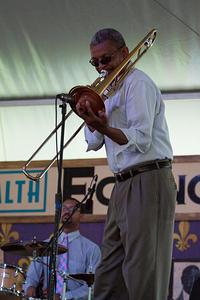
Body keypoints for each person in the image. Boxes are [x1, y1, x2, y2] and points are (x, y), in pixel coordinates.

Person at [76, 28, 177, 300]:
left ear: (124, 53)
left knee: (144, 273)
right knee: (108, 272)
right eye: (94, 62)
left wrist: (104, 127)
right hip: (121, 185)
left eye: (105, 59)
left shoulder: (138, 83)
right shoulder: (107, 90)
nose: (100, 67)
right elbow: (93, 141)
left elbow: (141, 140)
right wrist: (91, 118)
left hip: (148, 179)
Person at [23, 197, 101, 300]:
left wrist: (64, 297)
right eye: (64, 209)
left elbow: (94, 287)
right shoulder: (45, 246)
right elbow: (31, 276)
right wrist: (29, 286)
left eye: (72, 209)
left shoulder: (91, 249)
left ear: (81, 216)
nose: (67, 212)